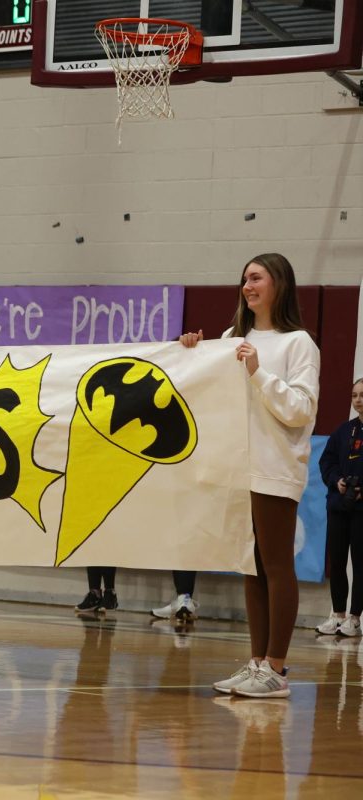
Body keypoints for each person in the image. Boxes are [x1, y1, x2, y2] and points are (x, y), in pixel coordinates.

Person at [184, 254, 319, 700]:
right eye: (243, 278)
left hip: (275, 466)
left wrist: (258, 371)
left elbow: (300, 409)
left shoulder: (299, 343)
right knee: (251, 566)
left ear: (279, 282)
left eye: (256, 277)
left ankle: (276, 668)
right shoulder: (230, 339)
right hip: (238, 469)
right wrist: (192, 352)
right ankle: (257, 660)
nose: (247, 285)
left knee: (277, 566)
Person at [315, 378, 363, 637]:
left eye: (362, 395)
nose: (358, 399)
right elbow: (326, 462)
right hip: (338, 506)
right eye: (354, 395)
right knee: (337, 561)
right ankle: (338, 614)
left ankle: (354, 618)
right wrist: (338, 481)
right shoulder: (343, 431)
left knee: (359, 562)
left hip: (361, 511)